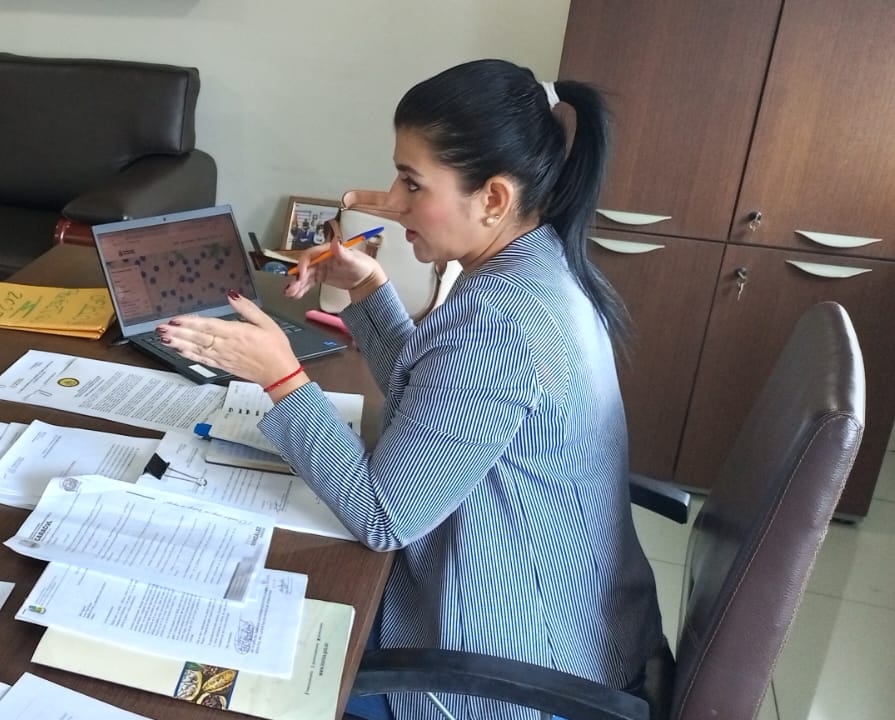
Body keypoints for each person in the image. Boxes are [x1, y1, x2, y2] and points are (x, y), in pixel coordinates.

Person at [158, 59, 662, 719]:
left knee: (206, 640)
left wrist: (281, 378)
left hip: (508, 673)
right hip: (574, 623)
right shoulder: (538, 267)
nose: (393, 203)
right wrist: (368, 288)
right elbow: (443, 398)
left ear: (493, 199)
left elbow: (383, 517)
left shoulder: (502, 321)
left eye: (412, 182)